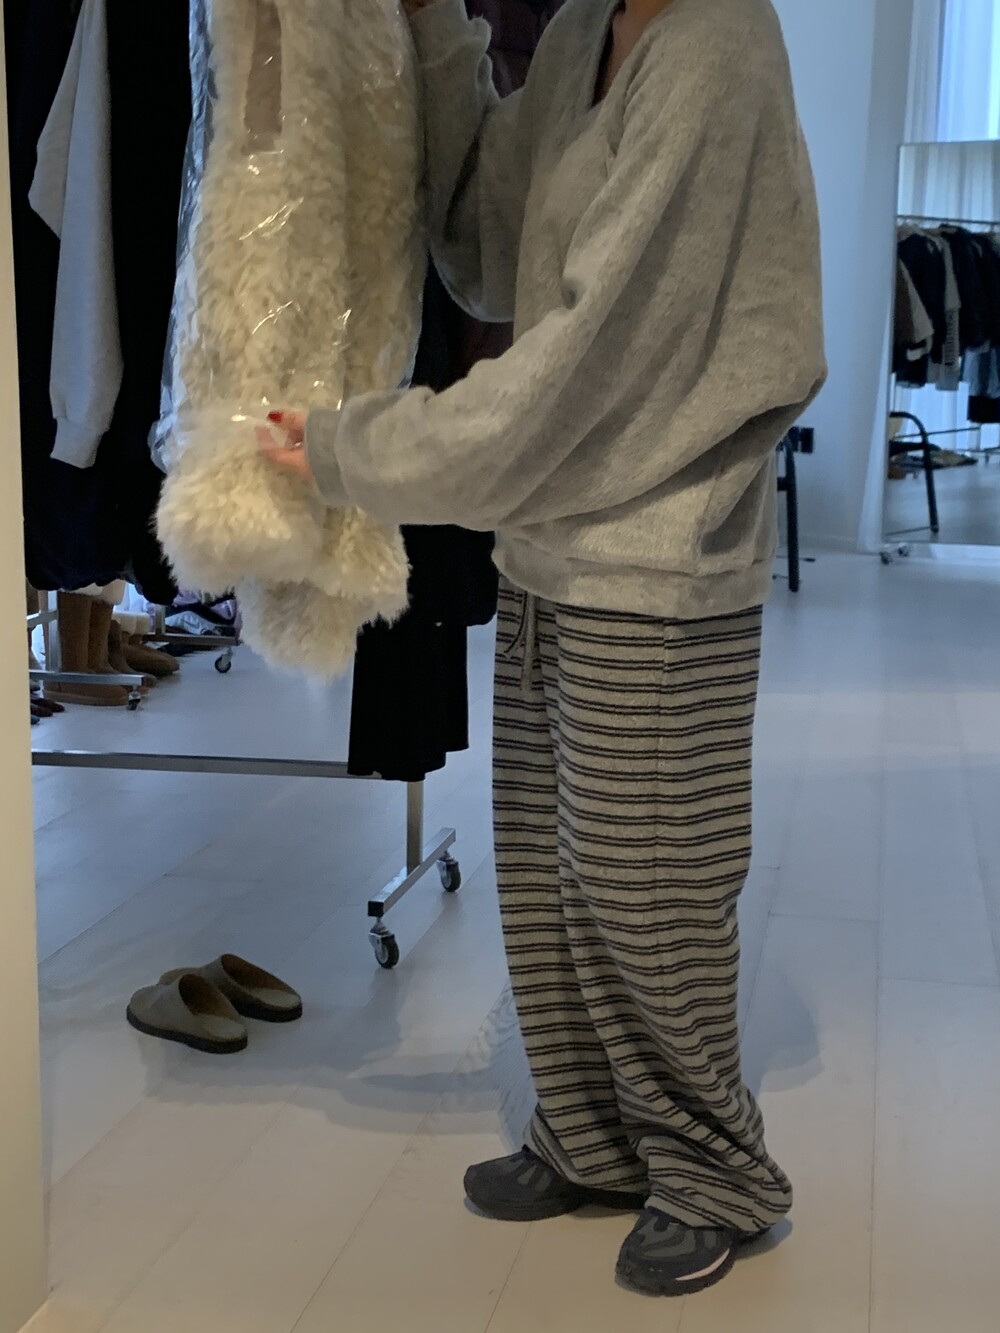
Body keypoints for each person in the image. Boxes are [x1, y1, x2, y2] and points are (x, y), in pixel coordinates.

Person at [263, 0, 826, 1298]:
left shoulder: (717, 45)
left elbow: (590, 362)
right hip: (547, 540)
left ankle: (711, 1171)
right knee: (548, 873)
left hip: (659, 553)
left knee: (645, 884)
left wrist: (358, 449)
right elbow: (483, 246)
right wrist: (438, 32)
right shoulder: (582, 31)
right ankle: (591, 1135)